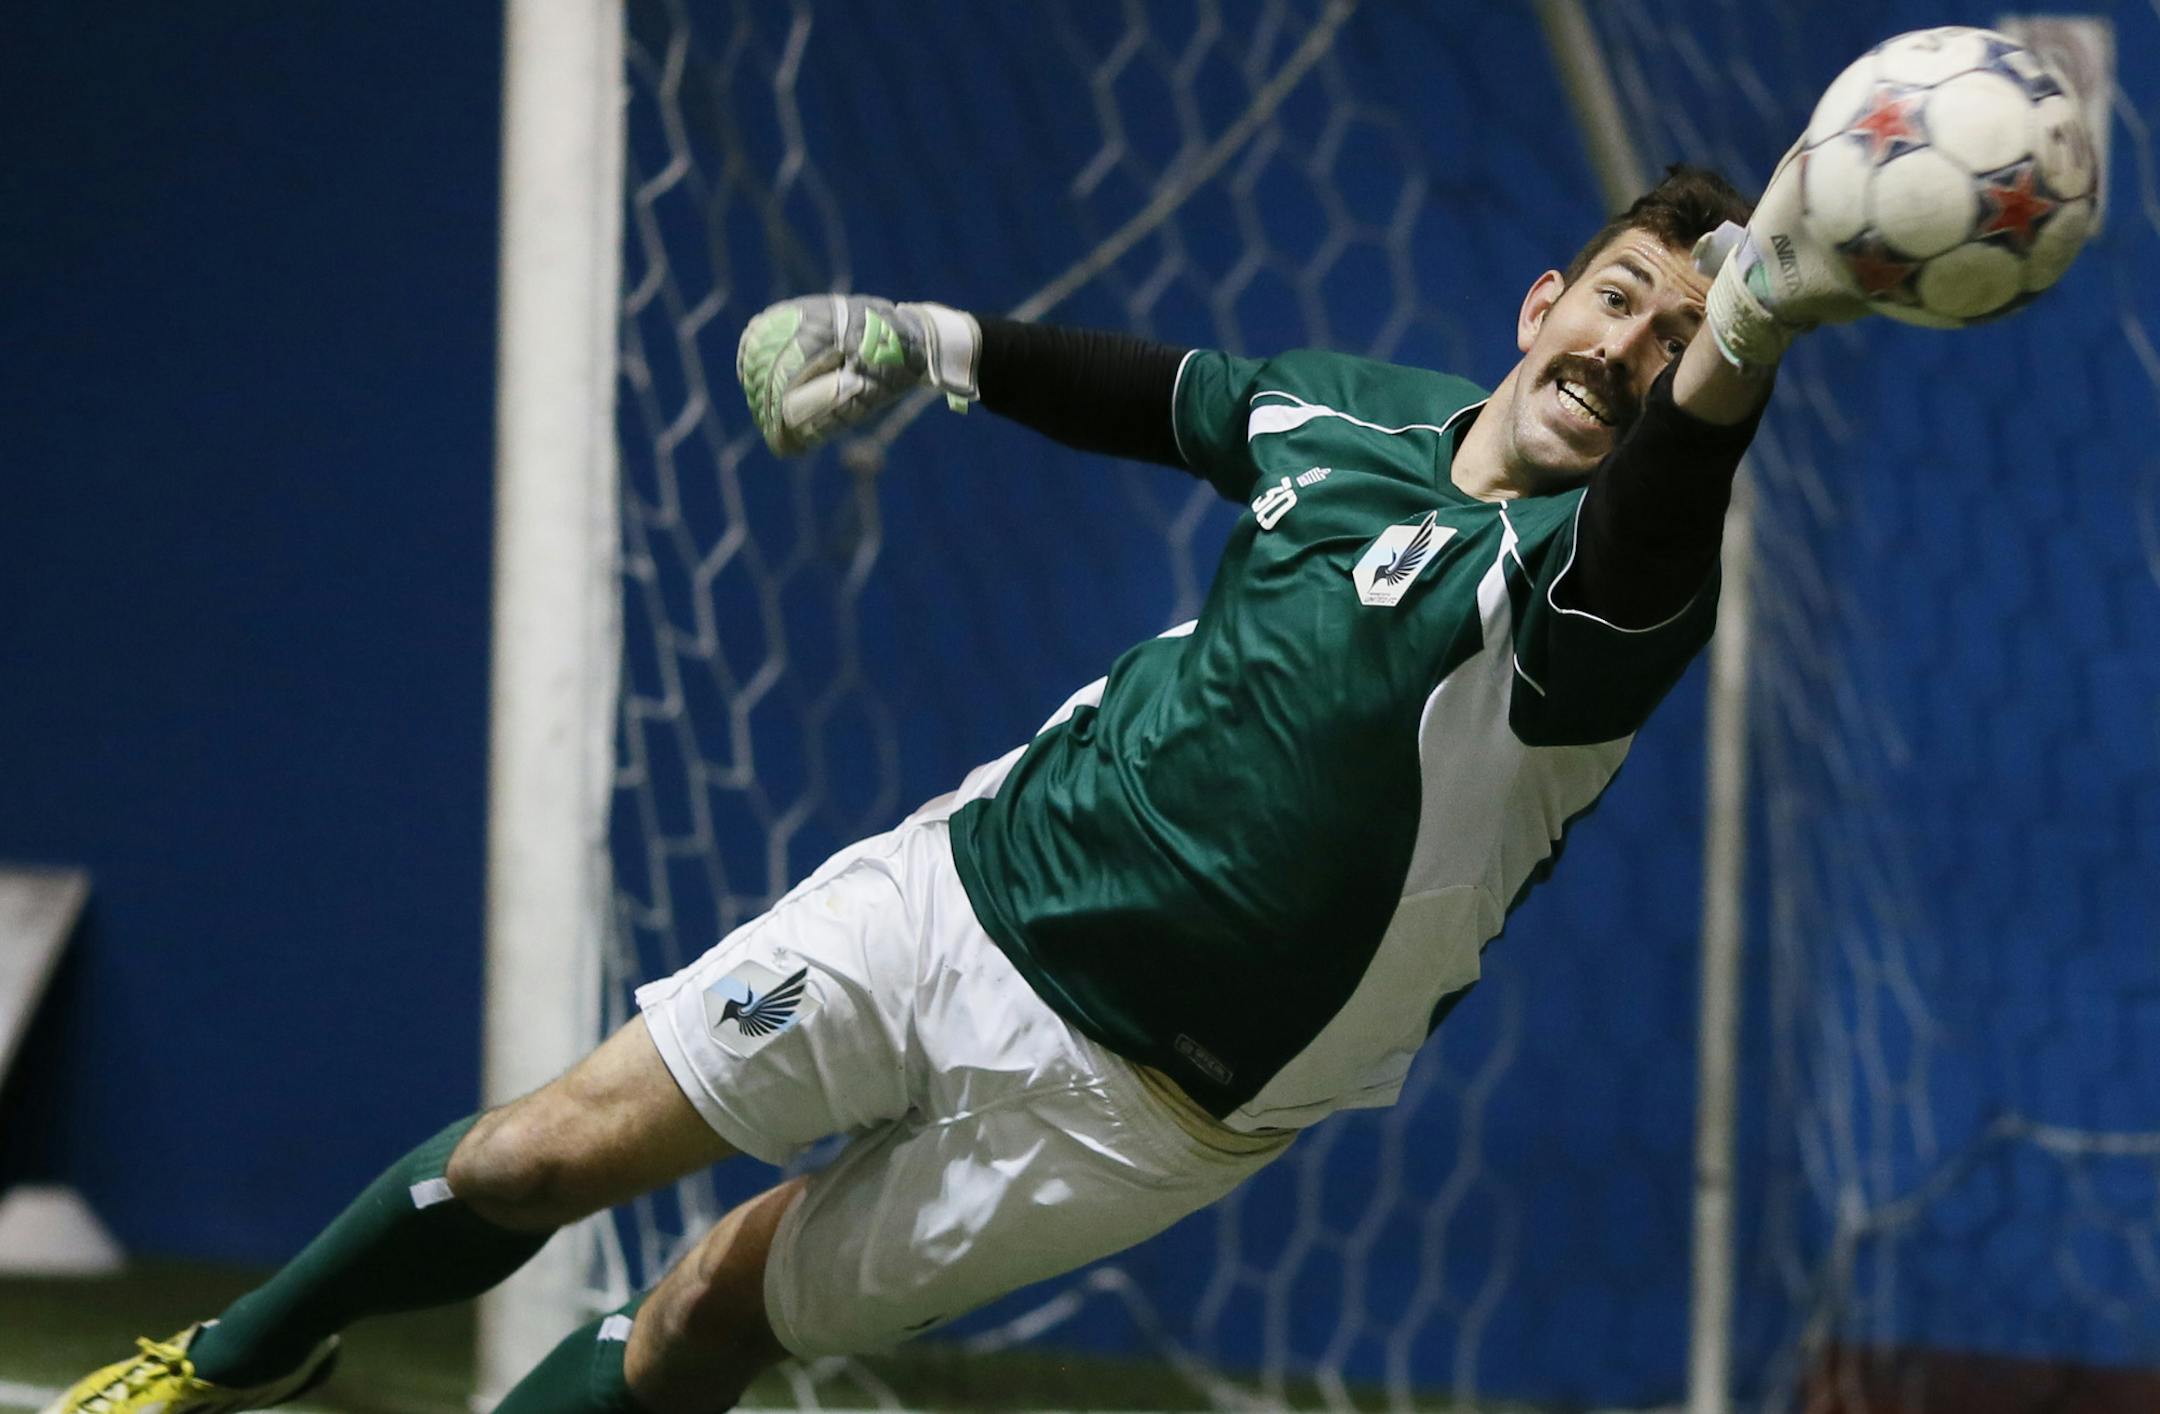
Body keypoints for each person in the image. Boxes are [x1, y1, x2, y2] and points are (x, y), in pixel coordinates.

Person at [47, 145, 1868, 1414]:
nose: (1627, 356)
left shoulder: (1605, 604)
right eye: (1618, 304)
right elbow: (1166, 393)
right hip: (969, 888)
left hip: (1141, 1114)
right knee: (540, 1148)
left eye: (1671, 348)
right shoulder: (1347, 411)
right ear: (1545, 298)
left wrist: (1753, 329)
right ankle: (230, 1363)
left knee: (702, 1314)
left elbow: (1656, 504)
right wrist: (926, 341)